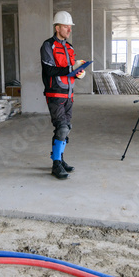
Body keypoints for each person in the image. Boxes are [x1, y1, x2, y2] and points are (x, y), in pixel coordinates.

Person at [40, 11, 86, 179]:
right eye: (66, 27)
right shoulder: (47, 46)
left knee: (66, 129)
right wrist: (71, 69)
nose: (69, 30)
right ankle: (56, 164)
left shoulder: (69, 47)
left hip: (68, 94)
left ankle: (59, 158)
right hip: (55, 94)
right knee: (62, 128)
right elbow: (49, 70)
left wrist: (78, 72)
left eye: (70, 27)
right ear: (57, 27)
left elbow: (70, 71)